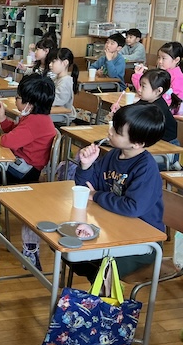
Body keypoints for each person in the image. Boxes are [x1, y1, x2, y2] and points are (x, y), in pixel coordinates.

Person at [70, 103, 165, 282]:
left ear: (137, 144)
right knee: (70, 247)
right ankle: (96, 290)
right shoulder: (113, 155)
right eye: (113, 126)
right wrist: (86, 166)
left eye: (118, 132)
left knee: (98, 265)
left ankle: (101, 295)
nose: (110, 131)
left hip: (143, 242)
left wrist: (97, 195)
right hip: (113, 227)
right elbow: (86, 189)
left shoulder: (145, 168)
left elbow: (132, 208)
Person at [0, 74, 56, 186]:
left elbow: (7, 141)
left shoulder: (35, 122)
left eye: (18, 97)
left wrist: (4, 136)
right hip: (23, 167)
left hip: (23, 173)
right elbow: (15, 131)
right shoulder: (39, 118)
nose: (15, 99)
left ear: (29, 104)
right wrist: (2, 118)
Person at [132, 42, 183, 113]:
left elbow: (175, 103)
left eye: (163, 58)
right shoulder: (160, 73)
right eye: (159, 57)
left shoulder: (178, 77)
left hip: (164, 112)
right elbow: (144, 90)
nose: (160, 61)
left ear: (176, 60)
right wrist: (138, 75)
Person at [47, 47, 79, 121]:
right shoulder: (57, 78)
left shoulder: (66, 81)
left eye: (53, 62)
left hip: (62, 116)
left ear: (65, 63)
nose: (50, 65)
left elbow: (57, 101)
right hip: (54, 112)